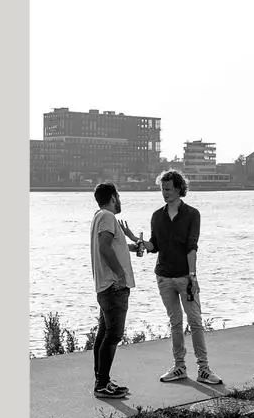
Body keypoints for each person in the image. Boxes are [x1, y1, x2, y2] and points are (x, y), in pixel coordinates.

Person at [142, 169, 222, 386]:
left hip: (185, 277)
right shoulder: (157, 216)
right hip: (164, 277)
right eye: (162, 189)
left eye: (168, 189)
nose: (164, 193)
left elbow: (191, 248)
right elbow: (154, 245)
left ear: (179, 189)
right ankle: (179, 367)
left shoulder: (192, 214)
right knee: (175, 323)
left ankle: (204, 369)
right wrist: (138, 244)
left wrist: (193, 277)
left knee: (195, 322)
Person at [87, 181, 146, 399]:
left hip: (106, 286)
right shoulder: (107, 217)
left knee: (104, 335)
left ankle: (103, 381)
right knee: (113, 335)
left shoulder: (99, 216)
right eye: (118, 196)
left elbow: (111, 245)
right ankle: (101, 385)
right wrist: (121, 275)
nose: (119, 200)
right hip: (114, 287)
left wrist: (131, 245)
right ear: (113, 197)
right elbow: (104, 247)